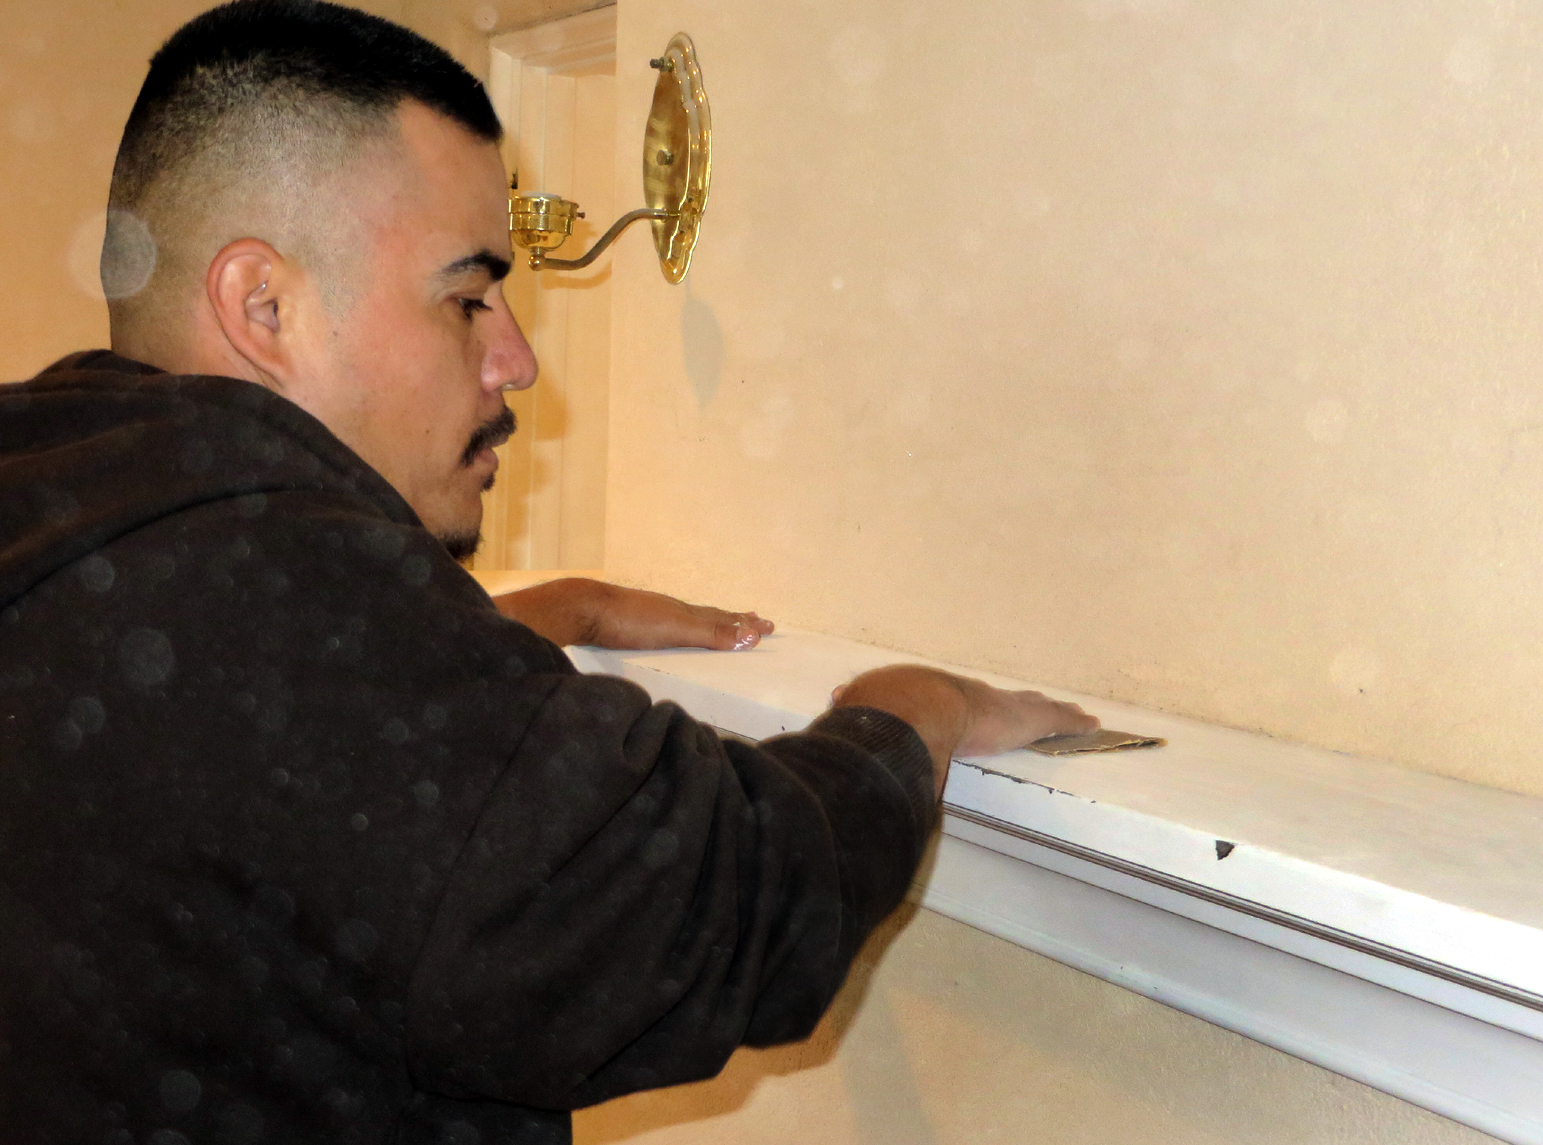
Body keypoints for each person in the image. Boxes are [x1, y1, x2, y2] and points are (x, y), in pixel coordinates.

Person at [0, 2, 1099, 1141]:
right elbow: (727, 909)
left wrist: (481, 631)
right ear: (263, 305)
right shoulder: (291, 604)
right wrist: (913, 706)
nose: (516, 359)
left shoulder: (68, 501)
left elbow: (218, 726)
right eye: (468, 296)